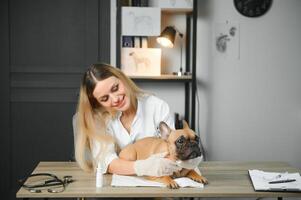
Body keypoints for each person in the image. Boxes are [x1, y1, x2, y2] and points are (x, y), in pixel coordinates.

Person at [74, 63, 181, 177]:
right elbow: (107, 163)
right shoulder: (98, 119)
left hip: (159, 183)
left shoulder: (157, 106)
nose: (115, 99)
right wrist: (143, 167)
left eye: (115, 88)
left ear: (123, 79)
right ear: (97, 103)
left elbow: (173, 150)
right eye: (105, 99)